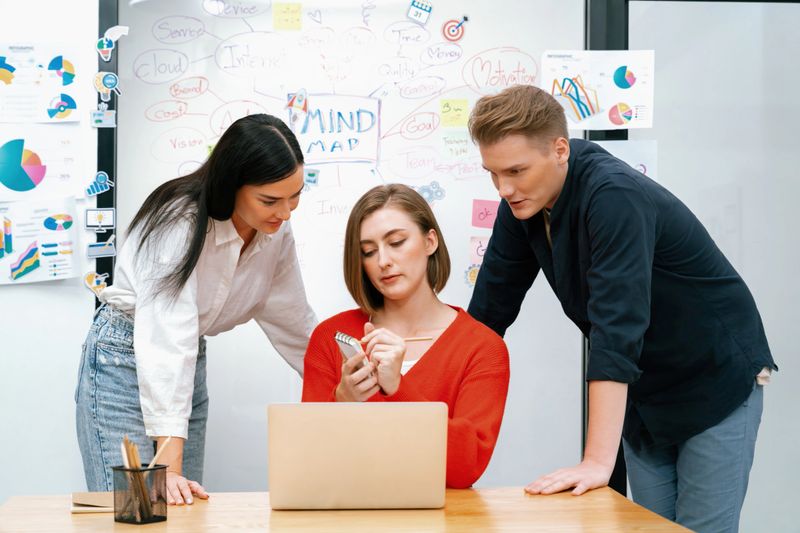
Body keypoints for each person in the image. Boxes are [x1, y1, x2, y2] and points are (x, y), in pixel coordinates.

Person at [466, 85, 776, 533]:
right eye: (492, 173)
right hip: (645, 389)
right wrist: (436, 416)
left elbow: (615, 328)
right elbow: (489, 312)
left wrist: (595, 461)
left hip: (712, 376)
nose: (505, 188)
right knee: (649, 527)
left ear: (559, 150)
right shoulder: (522, 204)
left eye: (515, 170)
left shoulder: (613, 195)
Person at [75, 114, 317, 505]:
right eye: (270, 200)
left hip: (186, 357)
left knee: (180, 507)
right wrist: (168, 465)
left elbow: (294, 320)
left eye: (296, 196)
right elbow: (167, 338)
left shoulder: (275, 231)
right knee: (135, 511)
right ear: (230, 184)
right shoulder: (179, 220)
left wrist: (348, 384)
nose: (286, 212)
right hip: (123, 358)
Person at [302, 184, 509, 488]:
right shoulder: (330, 337)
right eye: (368, 251)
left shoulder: (483, 348)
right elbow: (307, 460)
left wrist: (398, 388)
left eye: (397, 242)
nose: (383, 261)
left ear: (430, 241)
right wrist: (343, 400)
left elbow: (465, 470)